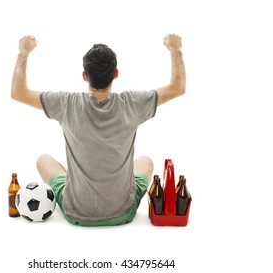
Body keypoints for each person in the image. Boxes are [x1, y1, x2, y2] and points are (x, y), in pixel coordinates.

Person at [11, 34, 186, 226]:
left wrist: (23, 52)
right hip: (123, 212)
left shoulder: (66, 103)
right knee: (146, 162)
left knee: (43, 159)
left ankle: (84, 182)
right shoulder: (133, 104)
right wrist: (175, 49)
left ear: (85, 76)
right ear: (116, 73)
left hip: (76, 212)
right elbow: (177, 87)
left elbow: (18, 93)